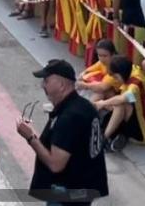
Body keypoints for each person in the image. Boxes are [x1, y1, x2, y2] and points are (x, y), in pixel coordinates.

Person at [16, 59, 108, 204]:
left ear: (61, 84)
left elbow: (55, 164)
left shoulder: (69, 117)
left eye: (46, 81)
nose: (42, 85)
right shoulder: (85, 106)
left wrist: (30, 137)